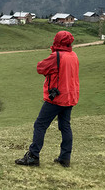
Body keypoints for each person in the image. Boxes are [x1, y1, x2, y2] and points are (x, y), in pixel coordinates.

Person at [15, 31, 79, 167]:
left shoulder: (57, 56)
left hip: (56, 98)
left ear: (58, 41)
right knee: (65, 126)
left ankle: (33, 156)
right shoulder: (73, 55)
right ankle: (65, 158)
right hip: (70, 97)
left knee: (40, 125)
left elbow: (40, 67)